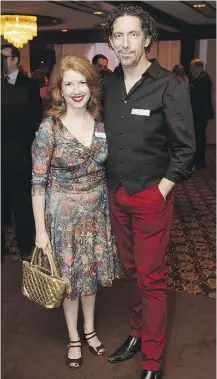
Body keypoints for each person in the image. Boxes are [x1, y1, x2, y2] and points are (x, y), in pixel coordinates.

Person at [102, 5, 196, 379]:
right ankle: (137, 334)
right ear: (111, 41)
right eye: (118, 36)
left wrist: (162, 190)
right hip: (115, 193)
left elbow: (187, 149)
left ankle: (153, 362)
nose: (125, 44)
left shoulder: (168, 85)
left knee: (151, 277)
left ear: (147, 39)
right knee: (130, 271)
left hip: (151, 196)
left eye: (133, 35)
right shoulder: (107, 84)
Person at [31, 55, 121, 370]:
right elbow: (38, 182)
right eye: (68, 83)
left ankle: (89, 329)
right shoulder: (49, 127)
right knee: (70, 280)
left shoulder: (100, 123)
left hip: (96, 213)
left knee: (90, 276)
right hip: (63, 217)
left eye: (81, 81)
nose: (76, 89)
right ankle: (73, 335)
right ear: (59, 89)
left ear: (91, 85)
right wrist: (40, 231)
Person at [1, 54, 37, 261]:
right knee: (22, 205)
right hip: (18, 157)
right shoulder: (20, 95)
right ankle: (25, 248)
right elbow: (31, 128)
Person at [190, 58, 214, 169]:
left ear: (198, 67)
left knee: (199, 137)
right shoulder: (199, 77)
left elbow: (199, 95)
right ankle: (197, 160)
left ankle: (199, 162)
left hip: (201, 113)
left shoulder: (203, 78)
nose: (191, 70)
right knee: (197, 137)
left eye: (192, 67)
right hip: (199, 113)